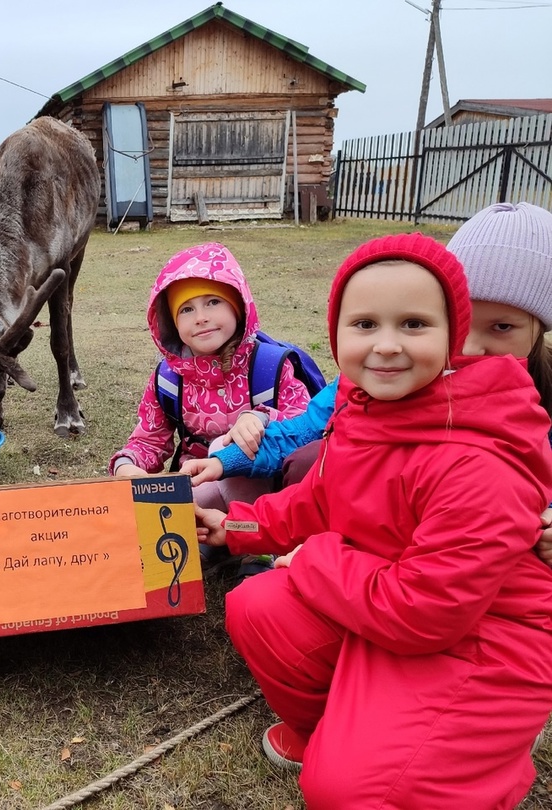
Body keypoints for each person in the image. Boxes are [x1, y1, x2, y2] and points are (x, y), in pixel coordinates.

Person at [197, 233, 552, 808]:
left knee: (344, 791)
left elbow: (426, 613)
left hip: (478, 641)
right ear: (336, 333)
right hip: (384, 600)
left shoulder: (477, 459)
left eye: (413, 324)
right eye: (365, 324)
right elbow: (315, 499)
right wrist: (232, 527)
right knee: (255, 604)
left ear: (452, 335)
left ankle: (487, 761)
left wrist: (312, 559)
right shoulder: (368, 408)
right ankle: (335, 728)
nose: (387, 345)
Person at [187, 202, 552, 561]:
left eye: (502, 327)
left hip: (463, 564)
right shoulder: (386, 376)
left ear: (540, 330)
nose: (471, 346)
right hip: (379, 541)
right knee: (308, 461)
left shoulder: (530, 405)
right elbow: (305, 430)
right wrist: (225, 461)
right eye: (462, 320)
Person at [108, 243, 311, 574]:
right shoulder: (169, 379)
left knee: (225, 445)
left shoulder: (268, 366)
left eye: (213, 302)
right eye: (186, 309)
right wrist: (128, 467)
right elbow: (149, 439)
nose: (201, 318)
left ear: (238, 307)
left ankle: (256, 549)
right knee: (159, 521)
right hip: (202, 488)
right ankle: (213, 545)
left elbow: (307, 425)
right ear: (172, 324)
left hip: (267, 496)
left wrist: (261, 418)